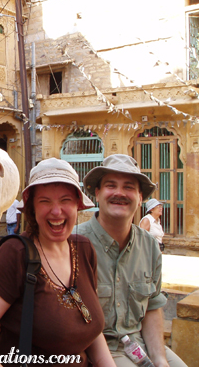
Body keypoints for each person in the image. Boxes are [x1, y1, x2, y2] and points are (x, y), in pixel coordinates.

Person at [0, 158, 116, 367]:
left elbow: (90, 325)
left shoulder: (84, 250)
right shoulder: (15, 254)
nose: (56, 211)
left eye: (65, 200)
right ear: (32, 208)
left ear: (77, 205)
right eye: (45, 201)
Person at [76, 154, 186, 367]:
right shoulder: (74, 243)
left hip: (139, 342)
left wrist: (160, 359)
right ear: (97, 193)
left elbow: (152, 307)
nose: (119, 193)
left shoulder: (149, 246)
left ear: (140, 197)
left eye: (128, 187)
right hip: (97, 349)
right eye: (111, 186)